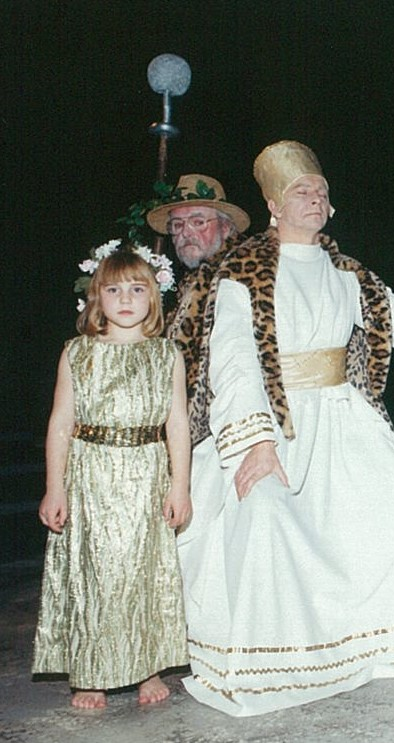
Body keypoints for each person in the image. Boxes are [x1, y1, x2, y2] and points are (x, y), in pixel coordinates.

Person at [171, 141, 394, 716]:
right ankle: (279, 660)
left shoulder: (347, 272)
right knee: (266, 513)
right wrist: (256, 442)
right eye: (302, 192)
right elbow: (233, 360)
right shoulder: (242, 272)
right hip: (277, 422)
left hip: (342, 416)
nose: (315, 199)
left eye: (321, 191)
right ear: (273, 205)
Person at [33, 244, 191, 709]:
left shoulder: (167, 355)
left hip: (146, 474)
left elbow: (177, 424)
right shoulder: (77, 353)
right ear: (96, 298)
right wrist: (54, 486)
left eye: (137, 289)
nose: (126, 299)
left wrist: (179, 485)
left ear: (153, 298)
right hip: (90, 476)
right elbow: (61, 422)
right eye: (114, 289)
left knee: (146, 573)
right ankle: (90, 673)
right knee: (95, 574)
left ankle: (148, 668)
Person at [146, 173, 250, 269]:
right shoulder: (192, 280)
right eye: (177, 225)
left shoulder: (244, 271)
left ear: (224, 228)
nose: (186, 233)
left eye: (198, 222)